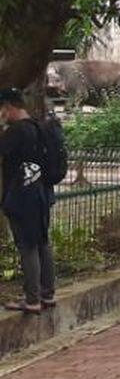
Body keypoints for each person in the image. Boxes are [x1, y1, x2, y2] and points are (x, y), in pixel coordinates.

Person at [0, 88, 55, 314]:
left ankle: (32, 299)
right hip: (40, 193)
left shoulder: (16, 132)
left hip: (20, 196)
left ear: (8, 107)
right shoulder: (38, 127)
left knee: (27, 245)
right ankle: (47, 294)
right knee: (42, 242)